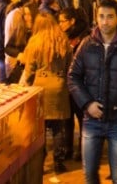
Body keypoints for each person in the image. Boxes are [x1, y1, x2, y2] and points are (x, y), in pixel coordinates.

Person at [67, 0, 117, 184]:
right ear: (96, 17)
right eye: (101, 16)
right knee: (89, 175)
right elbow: (72, 76)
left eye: (110, 17)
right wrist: (87, 103)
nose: (105, 21)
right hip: (92, 120)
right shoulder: (87, 44)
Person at [18, 13, 72, 174]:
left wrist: (23, 87)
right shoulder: (63, 40)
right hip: (59, 86)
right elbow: (69, 65)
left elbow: (29, 70)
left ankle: (40, 162)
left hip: (40, 87)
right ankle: (58, 162)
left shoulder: (35, 42)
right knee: (58, 128)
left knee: (40, 129)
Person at [58, 7, 90, 160]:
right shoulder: (63, 36)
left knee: (82, 117)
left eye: (63, 21)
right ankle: (67, 149)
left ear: (72, 21)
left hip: (81, 83)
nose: (60, 25)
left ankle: (82, 149)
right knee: (67, 118)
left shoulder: (84, 36)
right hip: (67, 82)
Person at [4, 0, 38, 81]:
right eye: (25, 15)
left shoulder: (32, 31)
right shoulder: (17, 19)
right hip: (17, 67)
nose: (28, 17)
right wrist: (20, 55)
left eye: (29, 15)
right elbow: (8, 47)